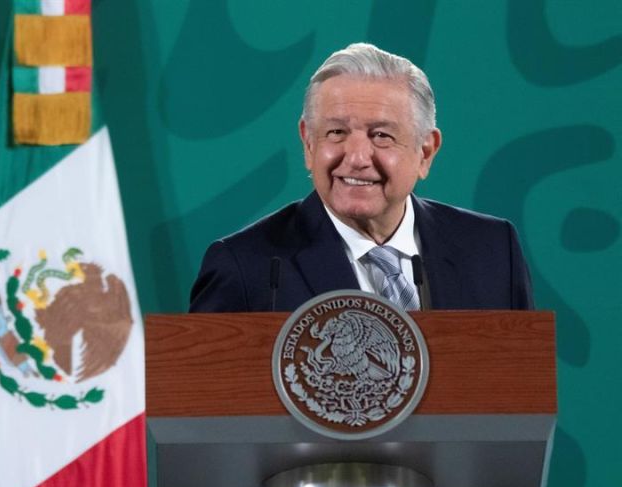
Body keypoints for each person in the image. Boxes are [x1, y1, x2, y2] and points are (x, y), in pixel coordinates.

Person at [190, 43, 533, 313]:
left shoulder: (492, 250)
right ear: (309, 143)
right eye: (336, 132)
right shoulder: (244, 267)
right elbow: (205, 398)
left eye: (381, 136)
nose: (355, 158)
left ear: (425, 152)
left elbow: (520, 391)